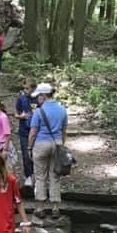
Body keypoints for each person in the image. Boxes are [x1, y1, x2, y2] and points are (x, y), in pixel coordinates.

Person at [28, 82, 68, 219]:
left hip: (41, 144)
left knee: (40, 176)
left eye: (38, 96)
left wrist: (29, 147)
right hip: (57, 144)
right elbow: (64, 131)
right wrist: (61, 145)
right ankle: (55, 208)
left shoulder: (39, 112)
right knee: (55, 175)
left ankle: (40, 207)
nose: (37, 99)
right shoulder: (62, 109)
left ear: (44, 96)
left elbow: (33, 132)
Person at [15, 78, 36, 188]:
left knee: (36, 154)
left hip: (36, 131)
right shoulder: (21, 99)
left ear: (33, 88)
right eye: (24, 88)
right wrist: (21, 116)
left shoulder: (38, 98)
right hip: (24, 131)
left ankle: (36, 175)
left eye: (27, 88)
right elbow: (16, 114)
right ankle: (28, 176)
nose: (25, 90)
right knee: (25, 154)